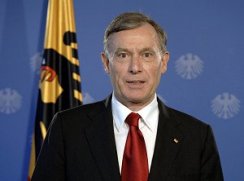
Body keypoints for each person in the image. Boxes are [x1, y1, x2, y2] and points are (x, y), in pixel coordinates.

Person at [32, 12, 224, 181]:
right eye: (123, 55)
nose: (135, 67)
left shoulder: (198, 137)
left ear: (164, 62)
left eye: (147, 54)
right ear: (106, 63)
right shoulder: (67, 129)